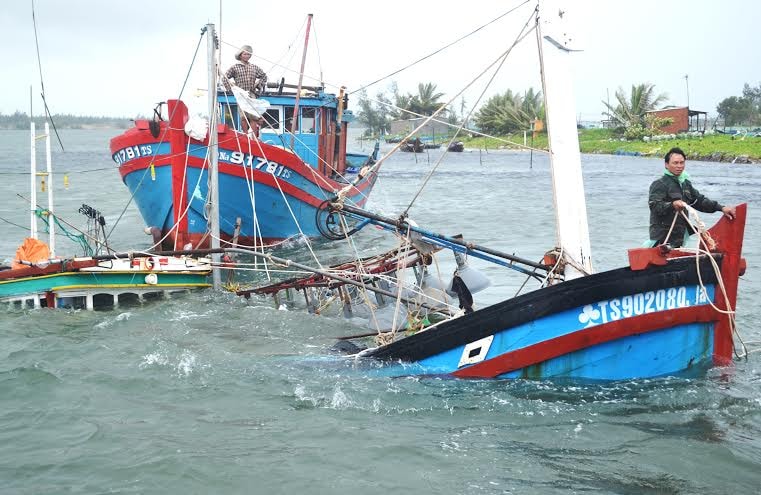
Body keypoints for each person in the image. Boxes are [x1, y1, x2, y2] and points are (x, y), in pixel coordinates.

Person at [648, 147, 736, 247]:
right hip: (662, 238)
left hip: (680, 236)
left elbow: (699, 201)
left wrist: (721, 208)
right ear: (666, 165)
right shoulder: (659, 184)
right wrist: (672, 205)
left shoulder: (685, 184)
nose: (679, 166)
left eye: (682, 163)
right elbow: (654, 206)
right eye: (675, 163)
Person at [224, 44, 267, 134]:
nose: (247, 56)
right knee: (243, 116)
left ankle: (253, 137)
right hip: (240, 93)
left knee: (254, 116)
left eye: (248, 54)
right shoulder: (235, 67)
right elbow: (225, 77)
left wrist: (258, 84)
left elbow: (263, 76)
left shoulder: (254, 67)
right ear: (240, 55)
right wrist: (231, 89)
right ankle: (246, 135)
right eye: (245, 54)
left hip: (251, 93)